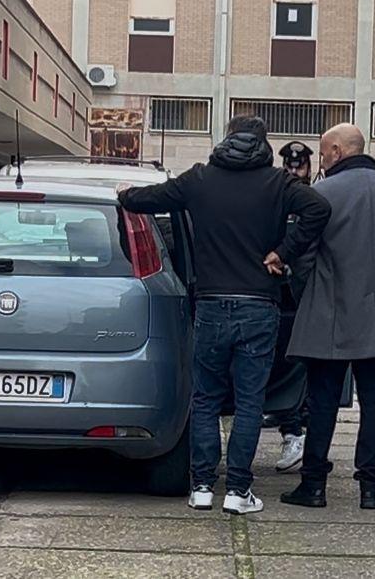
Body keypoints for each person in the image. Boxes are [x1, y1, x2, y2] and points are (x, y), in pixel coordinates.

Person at [117, 115, 331, 514]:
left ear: (226, 139)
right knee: (250, 402)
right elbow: (319, 209)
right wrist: (283, 252)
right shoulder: (279, 183)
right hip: (259, 305)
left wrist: (124, 194)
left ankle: (201, 487)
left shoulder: (200, 179)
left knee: (206, 399)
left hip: (212, 304)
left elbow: (150, 198)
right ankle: (238, 491)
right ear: (264, 143)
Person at [279, 123, 375, 510]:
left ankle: (313, 484)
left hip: (328, 312)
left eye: (323, 153)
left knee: (322, 401)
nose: (322, 160)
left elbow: (303, 256)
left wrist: (309, 296)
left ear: (336, 151)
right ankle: (370, 487)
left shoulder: (320, 194)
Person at [266, 140, 317, 473]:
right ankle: (289, 424)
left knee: (302, 369)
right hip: (277, 293)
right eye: (289, 166)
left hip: (304, 295)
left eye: (299, 167)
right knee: (280, 365)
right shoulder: (275, 197)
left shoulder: (314, 199)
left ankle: (295, 430)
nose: (294, 171)